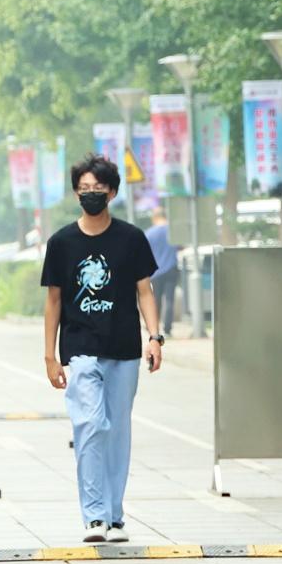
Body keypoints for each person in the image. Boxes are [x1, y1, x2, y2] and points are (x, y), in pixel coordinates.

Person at [42, 154, 163, 544]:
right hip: (80, 349)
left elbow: (145, 291)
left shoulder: (131, 238)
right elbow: (54, 301)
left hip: (124, 348)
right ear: (75, 193)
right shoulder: (61, 242)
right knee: (90, 425)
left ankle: (114, 516)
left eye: (97, 188)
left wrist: (155, 337)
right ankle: (94, 516)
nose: (90, 194)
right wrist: (50, 356)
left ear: (111, 192)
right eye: (84, 189)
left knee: (117, 431)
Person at [144, 208, 180, 337]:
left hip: (155, 272)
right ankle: (168, 329)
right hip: (171, 269)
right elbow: (180, 246)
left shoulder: (149, 233)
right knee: (169, 299)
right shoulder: (173, 232)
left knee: (155, 300)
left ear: (154, 218)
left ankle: (154, 329)